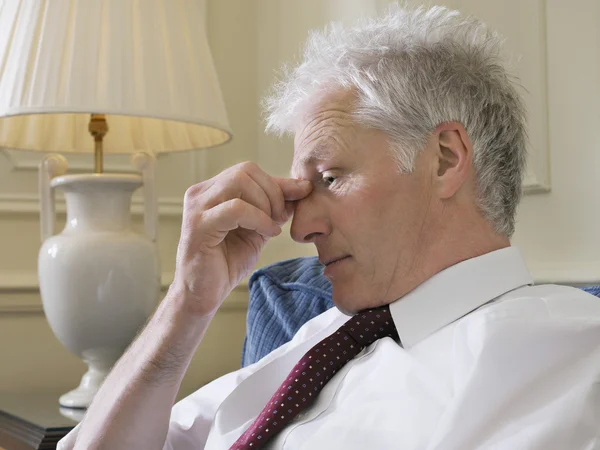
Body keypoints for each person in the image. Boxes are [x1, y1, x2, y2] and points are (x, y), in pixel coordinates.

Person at [59, 5, 600, 450]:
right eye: (301, 188)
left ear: (444, 158)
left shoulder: (570, 356)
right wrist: (186, 305)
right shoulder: (317, 341)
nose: (300, 227)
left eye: (330, 177)